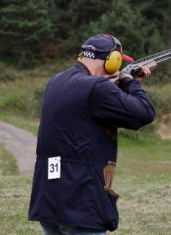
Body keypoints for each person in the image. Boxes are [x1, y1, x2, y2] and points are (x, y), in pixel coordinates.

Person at [28, 34, 156, 234]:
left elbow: (90, 106)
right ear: (112, 61)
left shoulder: (55, 81)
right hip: (81, 204)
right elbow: (144, 113)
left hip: (49, 200)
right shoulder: (97, 88)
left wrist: (120, 84)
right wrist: (131, 84)